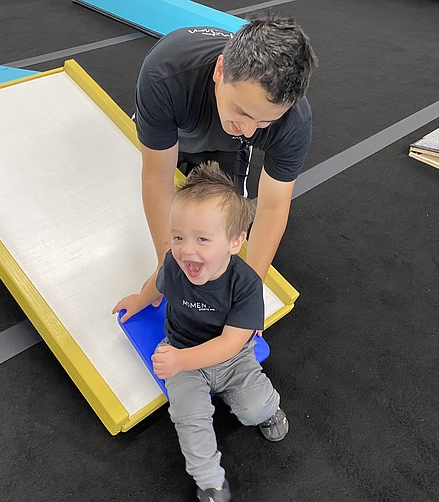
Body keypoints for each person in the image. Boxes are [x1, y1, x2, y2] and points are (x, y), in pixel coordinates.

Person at [113, 163, 288, 502]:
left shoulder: (246, 284)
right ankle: (211, 481)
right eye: (178, 237)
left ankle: (270, 409)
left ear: (235, 242)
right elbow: (157, 283)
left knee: (253, 410)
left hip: (231, 359)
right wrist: (141, 298)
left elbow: (232, 342)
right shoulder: (175, 264)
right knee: (189, 417)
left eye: (203, 239)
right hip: (182, 352)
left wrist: (180, 359)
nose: (186, 249)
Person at [135, 15, 317, 301]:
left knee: (224, 217)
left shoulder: (294, 123)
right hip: (179, 125)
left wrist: (250, 293)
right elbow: (158, 176)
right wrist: (168, 266)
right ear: (220, 70)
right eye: (242, 111)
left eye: (263, 122)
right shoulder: (164, 74)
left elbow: (272, 207)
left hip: (226, 146)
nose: (247, 129)